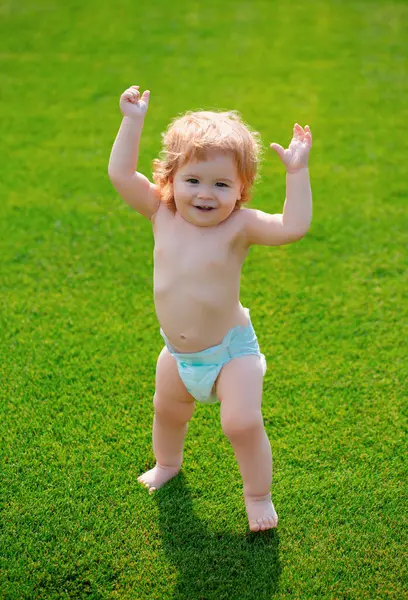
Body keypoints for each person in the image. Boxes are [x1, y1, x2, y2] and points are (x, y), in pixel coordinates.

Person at [108, 85, 312, 532]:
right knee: (168, 410)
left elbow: (294, 226)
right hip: (177, 354)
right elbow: (122, 176)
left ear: (241, 189)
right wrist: (132, 121)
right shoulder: (162, 214)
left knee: (240, 423)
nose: (205, 194)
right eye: (193, 180)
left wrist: (297, 173)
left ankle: (258, 495)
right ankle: (167, 464)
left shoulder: (239, 226)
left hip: (230, 352)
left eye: (222, 184)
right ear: (170, 180)